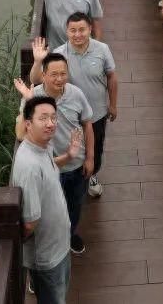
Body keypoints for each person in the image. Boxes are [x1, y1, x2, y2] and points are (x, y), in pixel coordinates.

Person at [30, 13, 117, 200]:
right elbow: (37, 80)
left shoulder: (102, 50)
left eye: (82, 30)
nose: (78, 34)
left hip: (97, 112)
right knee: (71, 145)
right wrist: (38, 61)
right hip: (69, 112)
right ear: (67, 31)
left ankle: (92, 174)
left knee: (96, 146)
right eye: (73, 30)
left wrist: (113, 104)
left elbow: (111, 77)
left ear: (90, 29)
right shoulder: (60, 54)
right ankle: (72, 180)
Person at [15, 53, 94, 256]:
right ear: (43, 75)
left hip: (75, 163)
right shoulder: (34, 97)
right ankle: (46, 251)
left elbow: (87, 125)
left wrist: (90, 157)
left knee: (75, 204)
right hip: (49, 168)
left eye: (63, 74)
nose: (59, 79)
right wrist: (27, 101)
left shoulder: (76, 94)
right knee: (49, 211)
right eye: (54, 74)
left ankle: (70, 234)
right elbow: (20, 133)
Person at [12, 95, 76, 304]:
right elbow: (29, 223)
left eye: (53, 118)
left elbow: (49, 169)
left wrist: (68, 156)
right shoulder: (29, 166)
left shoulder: (43, 147)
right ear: (28, 124)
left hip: (59, 246)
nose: (50, 123)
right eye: (43, 118)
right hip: (47, 257)